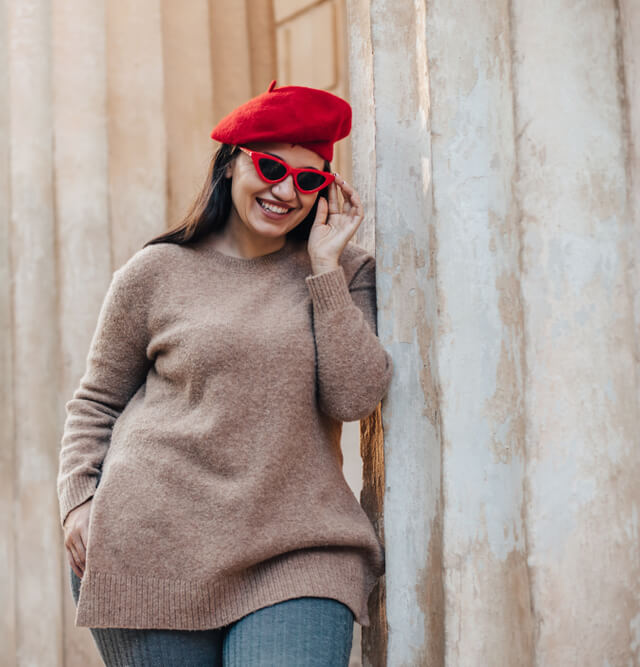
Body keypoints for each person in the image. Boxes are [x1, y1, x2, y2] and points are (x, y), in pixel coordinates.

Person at [56, 80, 393, 667]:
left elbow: (355, 396)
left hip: (298, 550)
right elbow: (96, 403)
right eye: (270, 167)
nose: (286, 190)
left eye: (309, 180)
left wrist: (322, 270)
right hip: (150, 544)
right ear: (231, 164)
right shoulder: (155, 271)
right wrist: (78, 499)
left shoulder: (344, 273)